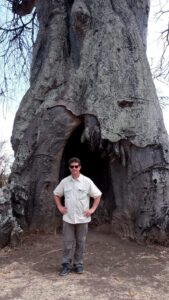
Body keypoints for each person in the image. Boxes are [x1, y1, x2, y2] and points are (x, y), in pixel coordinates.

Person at [53, 157, 102, 276]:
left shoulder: (87, 181)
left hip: (82, 218)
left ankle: (78, 264)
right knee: (67, 243)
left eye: (76, 166)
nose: (74, 168)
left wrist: (92, 209)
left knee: (81, 242)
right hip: (68, 218)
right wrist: (60, 207)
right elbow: (56, 194)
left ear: (80, 167)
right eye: (72, 167)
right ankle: (66, 265)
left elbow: (97, 195)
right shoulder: (65, 182)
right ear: (69, 168)